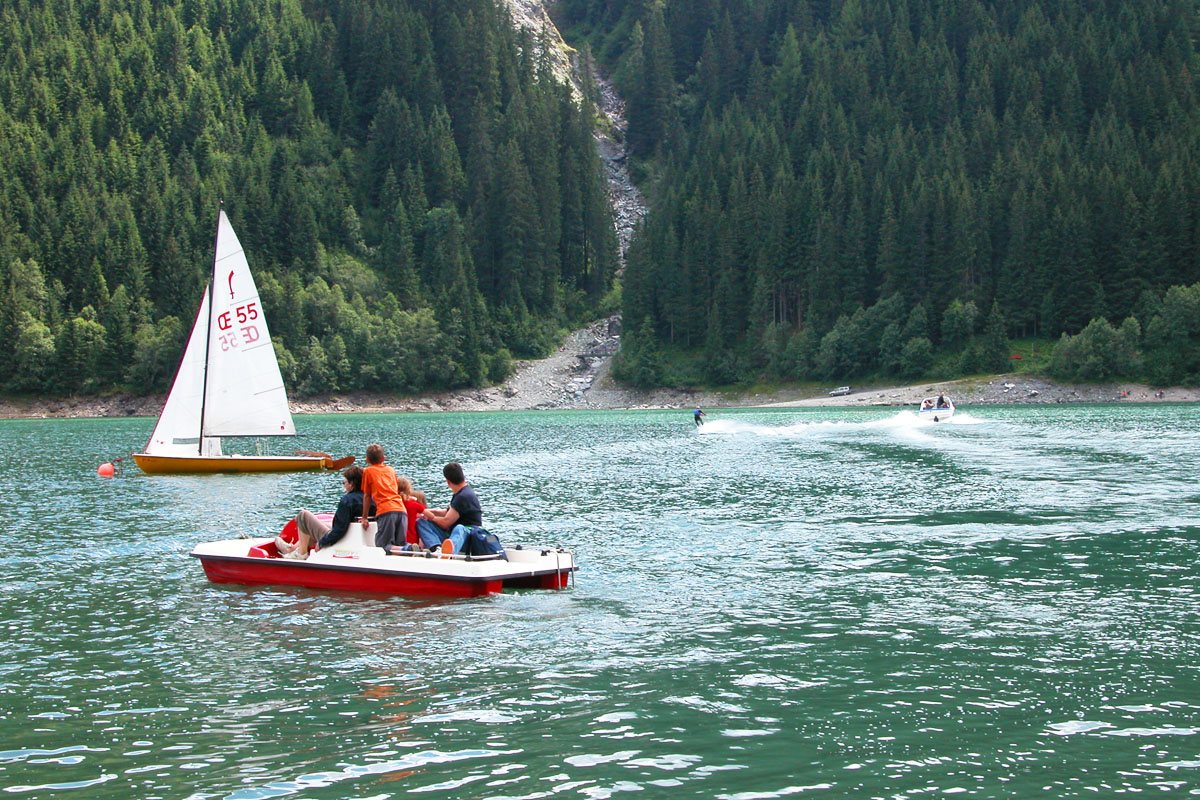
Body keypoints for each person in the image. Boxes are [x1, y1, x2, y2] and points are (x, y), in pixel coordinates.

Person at [276, 466, 375, 560]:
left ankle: (301, 553)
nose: (344, 485)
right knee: (324, 525)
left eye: (344, 482)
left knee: (303, 516)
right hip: (356, 536)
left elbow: (338, 531)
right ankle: (293, 549)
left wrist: (322, 542)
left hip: (342, 539)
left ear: (351, 483)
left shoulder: (347, 500)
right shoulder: (372, 499)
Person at [416, 462, 482, 554]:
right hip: (453, 536)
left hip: (466, 538)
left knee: (459, 528)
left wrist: (431, 517)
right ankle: (436, 548)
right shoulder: (462, 492)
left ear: (448, 481)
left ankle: (449, 553)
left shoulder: (463, 496)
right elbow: (447, 512)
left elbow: (445, 522)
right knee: (421, 522)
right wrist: (424, 511)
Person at [360, 443, 407, 550]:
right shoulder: (390, 469)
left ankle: (408, 549)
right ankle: (408, 548)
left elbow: (367, 496)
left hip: (385, 511)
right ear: (384, 459)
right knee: (399, 544)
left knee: (384, 546)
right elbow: (396, 489)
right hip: (401, 509)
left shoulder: (368, 471)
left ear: (367, 460)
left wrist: (364, 517)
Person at [396, 477, 427, 548]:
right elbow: (430, 515)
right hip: (413, 540)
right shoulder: (414, 505)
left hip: (399, 540)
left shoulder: (395, 505)